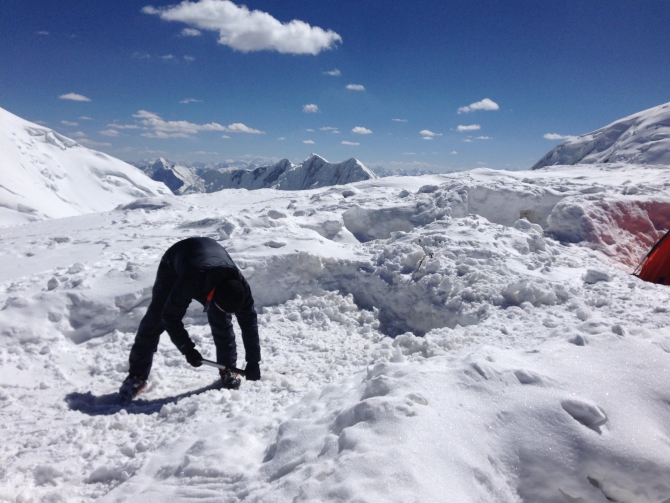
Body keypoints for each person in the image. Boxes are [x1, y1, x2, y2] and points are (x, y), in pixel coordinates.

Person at [119, 237, 261, 402]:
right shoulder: (191, 281)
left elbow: (249, 322)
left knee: (222, 321)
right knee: (156, 318)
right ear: (212, 296)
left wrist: (253, 361)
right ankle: (137, 375)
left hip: (209, 260)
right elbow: (171, 317)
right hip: (174, 263)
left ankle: (228, 369)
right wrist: (188, 349)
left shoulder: (240, 287)